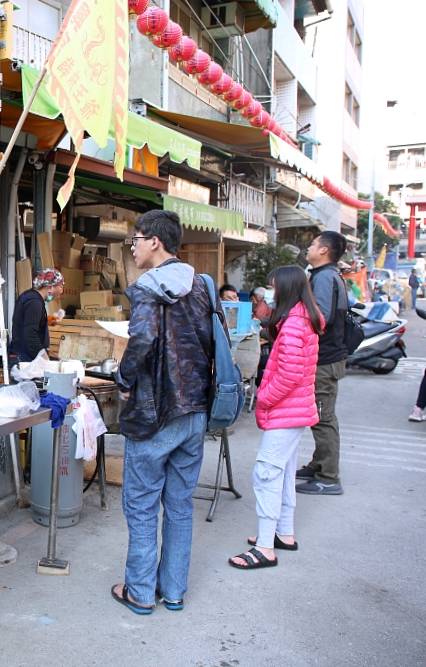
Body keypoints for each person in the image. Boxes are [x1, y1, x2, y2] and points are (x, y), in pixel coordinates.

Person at [110, 210, 214, 614]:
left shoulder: (146, 287)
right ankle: (172, 591)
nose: (132, 246)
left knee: (141, 505)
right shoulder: (203, 285)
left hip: (155, 416)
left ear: (154, 241)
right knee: (181, 505)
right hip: (195, 411)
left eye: (134, 239)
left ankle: (139, 592)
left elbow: (144, 339)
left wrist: (122, 378)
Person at [229, 266, 322, 570]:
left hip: (286, 410)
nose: (269, 292)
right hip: (296, 409)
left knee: (267, 473)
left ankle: (265, 549)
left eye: (272, 287)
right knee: (282, 472)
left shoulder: (294, 323)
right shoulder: (300, 317)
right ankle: (284, 533)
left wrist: (264, 399)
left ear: (285, 287)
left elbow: (290, 374)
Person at [295, 230, 348, 496]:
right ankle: (319, 464)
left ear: (324, 250)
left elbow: (321, 318)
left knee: (323, 416)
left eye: (314, 244)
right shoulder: (327, 275)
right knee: (320, 415)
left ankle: (329, 476)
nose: (310, 248)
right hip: (328, 357)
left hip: (325, 360)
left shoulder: (325, 277)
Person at [9, 269, 64, 363]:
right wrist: (43, 358)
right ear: (50, 287)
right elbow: (30, 334)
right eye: (61, 286)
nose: (62, 291)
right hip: (24, 359)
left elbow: (27, 322)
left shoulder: (29, 296)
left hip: (23, 356)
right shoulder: (34, 303)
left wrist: (45, 321)